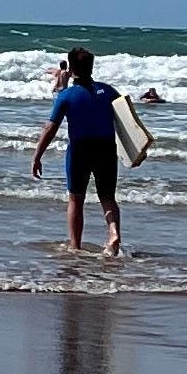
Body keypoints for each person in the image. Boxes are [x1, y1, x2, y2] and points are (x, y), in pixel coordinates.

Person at [29, 45, 124, 258]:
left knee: (75, 199)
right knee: (108, 197)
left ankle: (75, 247)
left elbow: (50, 128)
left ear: (71, 70)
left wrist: (37, 156)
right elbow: (128, 122)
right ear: (91, 68)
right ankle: (113, 232)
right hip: (107, 148)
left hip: (80, 150)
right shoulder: (108, 91)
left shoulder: (66, 96)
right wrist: (135, 151)